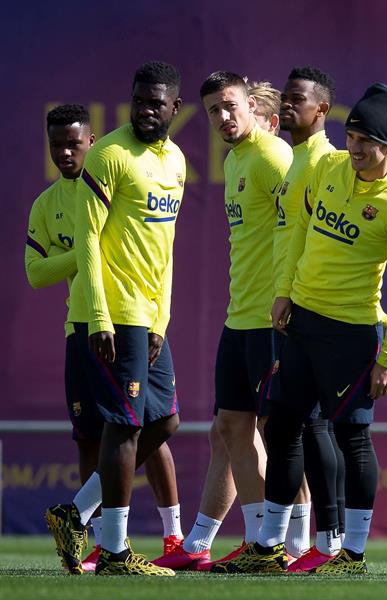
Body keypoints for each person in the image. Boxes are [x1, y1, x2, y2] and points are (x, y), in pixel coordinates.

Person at [214, 82, 387, 576]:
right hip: (302, 323)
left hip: (351, 335)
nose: (355, 148)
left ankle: (351, 553)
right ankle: (270, 546)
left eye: (366, 141)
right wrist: (284, 291)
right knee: (283, 427)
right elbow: (298, 233)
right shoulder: (329, 167)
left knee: (353, 439)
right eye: (351, 136)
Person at [44, 60, 187, 576]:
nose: (145, 110)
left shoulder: (176, 161)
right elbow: (87, 239)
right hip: (112, 312)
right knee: (123, 428)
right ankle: (115, 552)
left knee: (165, 420)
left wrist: (161, 320)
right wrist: (100, 317)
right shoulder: (108, 154)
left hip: (148, 317)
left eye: (156, 103)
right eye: (138, 100)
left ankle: (75, 512)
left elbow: (166, 247)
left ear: (175, 108)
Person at [158, 71, 292, 571]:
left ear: (252, 107)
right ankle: (208, 544)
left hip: (273, 320)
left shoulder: (274, 157)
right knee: (229, 428)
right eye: (214, 110)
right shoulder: (236, 159)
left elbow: (304, 227)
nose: (223, 117)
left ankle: (287, 543)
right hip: (241, 318)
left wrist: (290, 299)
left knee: (281, 434)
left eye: (230, 105)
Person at [273, 66, 349, 574]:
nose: (286, 104)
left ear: (322, 109)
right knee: (291, 426)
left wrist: (295, 297)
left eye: (297, 98)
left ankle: (331, 539)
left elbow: (319, 243)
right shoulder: (294, 158)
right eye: (285, 96)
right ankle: (284, 541)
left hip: (313, 309)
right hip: (289, 306)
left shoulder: (324, 161)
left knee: (317, 425)